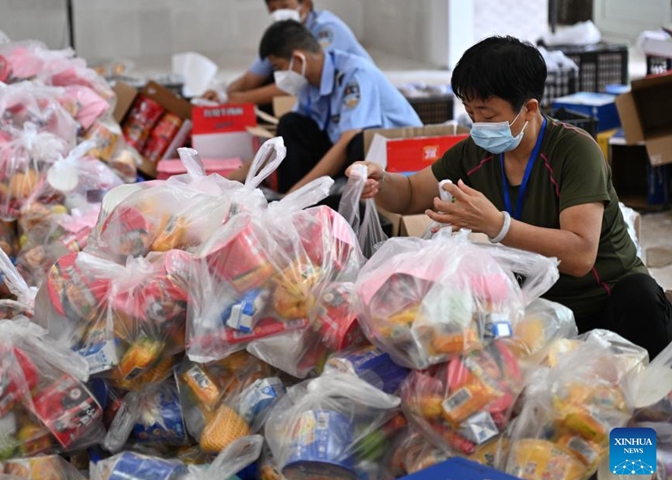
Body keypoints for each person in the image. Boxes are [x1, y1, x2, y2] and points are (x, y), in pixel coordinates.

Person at [348, 35, 672, 358]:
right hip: (537, 307)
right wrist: (381, 180)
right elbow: (408, 196)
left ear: (529, 108)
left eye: (487, 116)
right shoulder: (474, 153)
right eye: (470, 113)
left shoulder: (574, 151)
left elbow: (580, 254)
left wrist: (498, 226)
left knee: (639, 298)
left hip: (605, 302)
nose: (477, 125)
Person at [230, 20, 422, 195]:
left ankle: (305, 202)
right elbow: (285, 141)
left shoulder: (355, 74)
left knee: (356, 141)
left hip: (395, 155)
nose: (279, 76)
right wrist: (232, 180)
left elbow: (346, 141)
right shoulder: (308, 82)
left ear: (298, 58)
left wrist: (297, 194)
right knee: (290, 125)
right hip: (342, 149)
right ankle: (293, 203)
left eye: (279, 67)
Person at [202, 0, 372, 107]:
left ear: (305, 4)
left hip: (353, 93)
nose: (279, 13)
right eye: (273, 9)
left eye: (284, 6)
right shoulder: (281, 35)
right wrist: (222, 95)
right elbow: (252, 77)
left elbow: (299, 78)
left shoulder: (327, 30)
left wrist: (241, 98)